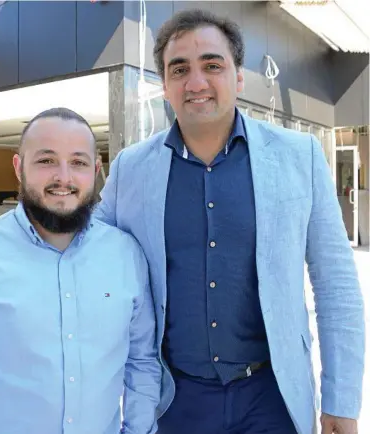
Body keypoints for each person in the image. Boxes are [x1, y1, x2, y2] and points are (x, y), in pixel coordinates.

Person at [94, 9, 365, 434]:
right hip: (175, 402)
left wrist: (341, 401)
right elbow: (90, 264)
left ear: (239, 77)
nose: (196, 82)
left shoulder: (300, 157)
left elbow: (336, 288)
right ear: (164, 86)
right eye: (179, 69)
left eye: (212, 65)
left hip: (273, 399)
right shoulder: (130, 170)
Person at [0, 108, 161, 434]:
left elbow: (142, 362)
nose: (64, 177)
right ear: (19, 167)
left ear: (96, 170)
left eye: (79, 163)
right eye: (46, 160)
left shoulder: (126, 255)